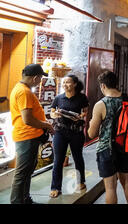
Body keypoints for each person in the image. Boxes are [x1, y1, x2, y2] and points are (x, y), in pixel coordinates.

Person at [88, 71, 128, 204]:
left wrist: (90, 124)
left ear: (103, 86)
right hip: (124, 146)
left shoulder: (101, 105)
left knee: (110, 188)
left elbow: (92, 134)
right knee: (127, 181)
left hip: (106, 149)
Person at [9, 64, 54, 204]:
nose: (40, 81)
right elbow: (27, 119)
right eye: (40, 78)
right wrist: (46, 125)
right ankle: (17, 201)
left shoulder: (22, 89)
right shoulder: (24, 92)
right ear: (35, 78)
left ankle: (25, 199)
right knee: (22, 173)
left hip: (29, 137)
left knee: (27, 171)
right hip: (26, 137)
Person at [49, 75, 89, 198]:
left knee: (77, 157)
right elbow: (51, 112)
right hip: (60, 131)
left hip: (76, 132)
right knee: (58, 160)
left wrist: (81, 116)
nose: (65, 84)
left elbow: (85, 112)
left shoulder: (82, 98)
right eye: (63, 82)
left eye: (68, 82)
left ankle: (81, 181)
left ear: (75, 84)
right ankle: (56, 187)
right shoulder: (58, 98)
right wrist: (55, 114)